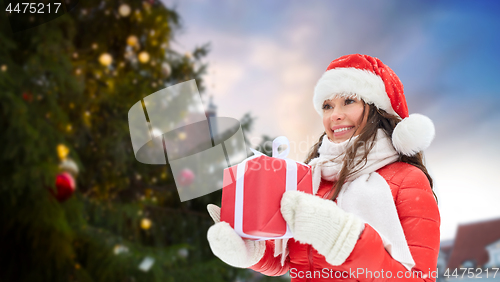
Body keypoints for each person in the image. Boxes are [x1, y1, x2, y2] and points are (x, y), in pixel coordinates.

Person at [206, 54, 440, 281]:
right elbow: (289, 260)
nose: (335, 115)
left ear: (377, 110)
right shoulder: (314, 177)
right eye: (327, 106)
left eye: (349, 101)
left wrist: (344, 239)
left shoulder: (409, 180)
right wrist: (251, 251)